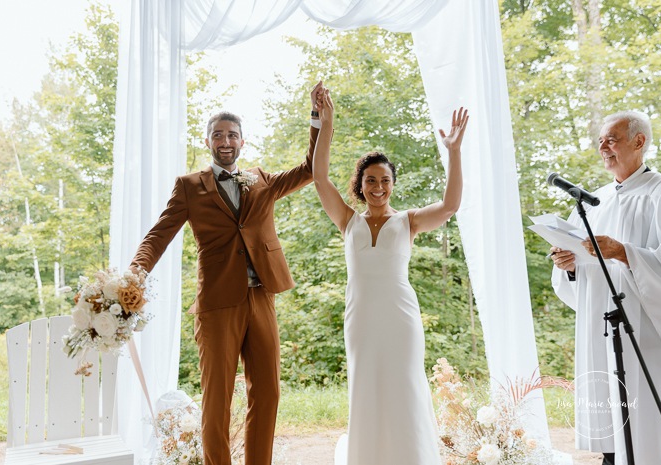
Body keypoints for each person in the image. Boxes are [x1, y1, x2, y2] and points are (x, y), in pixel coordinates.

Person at [128, 81, 325, 465]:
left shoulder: (261, 180)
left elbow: (309, 169)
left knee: (267, 393)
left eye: (232, 134)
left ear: (242, 142)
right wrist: (136, 271)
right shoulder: (189, 187)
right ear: (207, 142)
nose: (226, 140)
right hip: (217, 303)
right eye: (218, 135)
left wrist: (316, 118)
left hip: (261, 296)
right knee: (217, 400)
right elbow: (159, 234)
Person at [312, 88, 468, 464]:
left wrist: (454, 151)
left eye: (384, 180)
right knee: (365, 387)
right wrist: (325, 124)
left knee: (404, 387)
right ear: (360, 185)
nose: (378, 187)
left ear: (393, 184)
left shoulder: (408, 221)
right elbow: (318, 178)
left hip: (400, 318)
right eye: (370, 180)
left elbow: (450, 205)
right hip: (361, 319)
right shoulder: (347, 220)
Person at [551, 111, 661, 465]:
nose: (603, 147)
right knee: (611, 421)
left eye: (611, 139)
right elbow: (576, 274)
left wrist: (624, 252)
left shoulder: (659, 194)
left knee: (643, 416)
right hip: (601, 326)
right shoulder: (593, 202)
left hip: (643, 328)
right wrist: (568, 266)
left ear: (639, 141)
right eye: (600, 140)